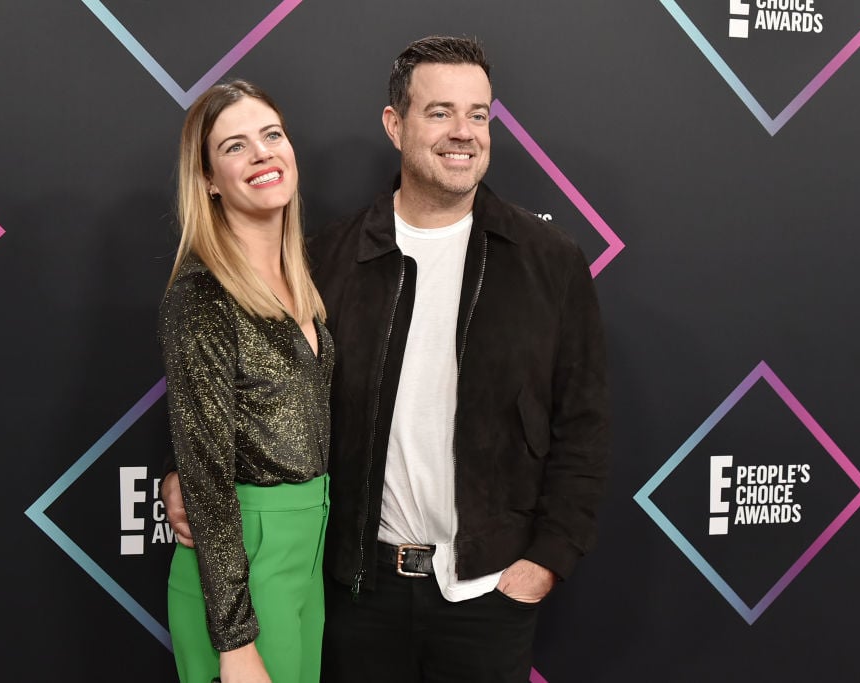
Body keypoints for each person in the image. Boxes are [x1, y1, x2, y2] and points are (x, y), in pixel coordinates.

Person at [164, 36, 610, 682]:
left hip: (487, 598)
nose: (464, 133)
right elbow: (251, 397)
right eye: (440, 112)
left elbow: (584, 426)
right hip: (355, 594)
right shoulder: (328, 260)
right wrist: (187, 477)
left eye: (478, 114)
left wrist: (545, 562)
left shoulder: (550, 261)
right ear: (394, 124)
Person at [159, 80, 333, 683]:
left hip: (306, 555)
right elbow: (205, 477)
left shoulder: (304, 283)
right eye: (235, 146)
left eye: (272, 135)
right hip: (244, 570)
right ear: (208, 178)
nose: (262, 154)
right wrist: (234, 644)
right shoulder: (203, 295)